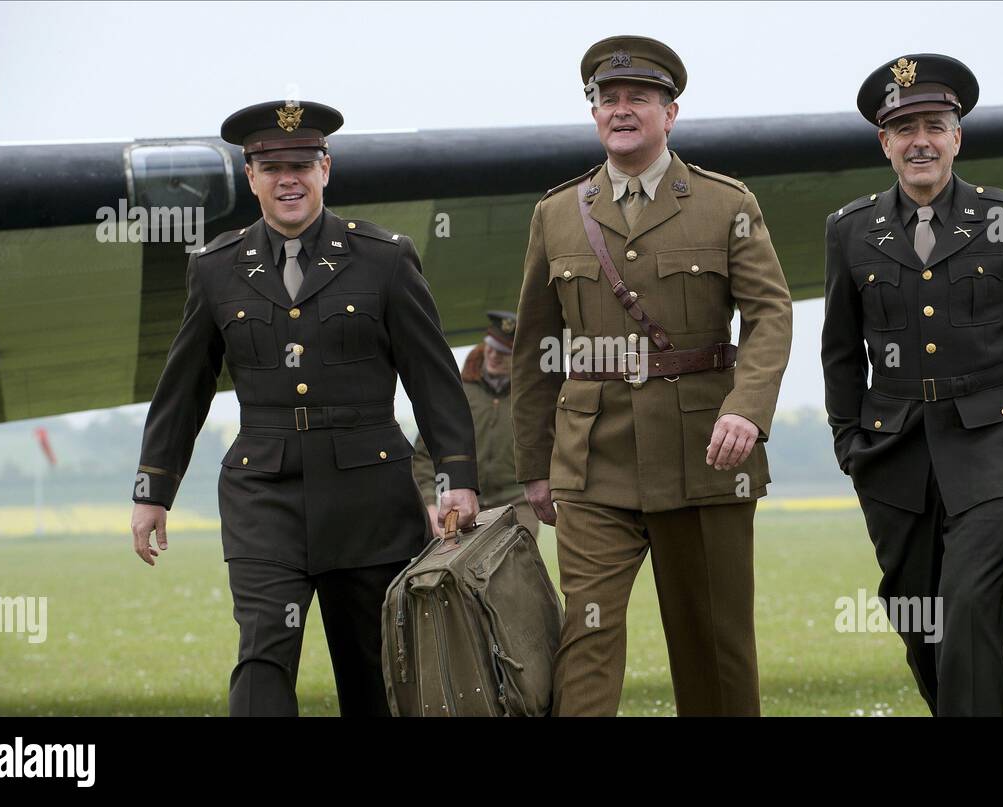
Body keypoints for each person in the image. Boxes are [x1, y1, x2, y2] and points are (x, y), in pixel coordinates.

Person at [128, 99, 479, 716]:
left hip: (369, 500)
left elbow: (434, 380)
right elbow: (184, 387)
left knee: (375, 671)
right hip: (265, 496)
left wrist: (456, 478)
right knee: (262, 654)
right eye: (271, 166)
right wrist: (153, 488)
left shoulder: (384, 259)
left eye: (301, 163)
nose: (287, 178)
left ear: (326, 169)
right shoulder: (215, 269)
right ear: (250, 177)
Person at [512, 36, 793, 716]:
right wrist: (535, 465)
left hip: (704, 452)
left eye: (639, 97)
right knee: (586, 636)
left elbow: (770, 314)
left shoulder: (726, 204)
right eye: (608, 100)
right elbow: (534, 348)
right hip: (592, 457)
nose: (622, 110)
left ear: (672, 113)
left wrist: (747, 410)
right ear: (595, 116)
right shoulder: (556, 213)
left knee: (714, 648)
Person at [821, 54, 1003, 716]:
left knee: (972, 602)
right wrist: (848, 443)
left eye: (935, 123)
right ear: (884, 141)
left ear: (957, 135)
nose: (920, 139)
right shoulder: (850, 229)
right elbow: (841, 350)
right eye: (905, 127)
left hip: (990, 443)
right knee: (920, 619)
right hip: (891, 455)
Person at [412, 310, 538, 538]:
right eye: (490, 345)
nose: (493, 355)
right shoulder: (457, 393)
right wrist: (429, 504)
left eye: (504, 351)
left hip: (517, 503)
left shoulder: (532, 400)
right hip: (464, 501)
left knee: (516, 563)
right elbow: (423, 456)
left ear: (519, 357)